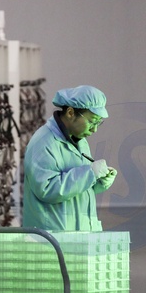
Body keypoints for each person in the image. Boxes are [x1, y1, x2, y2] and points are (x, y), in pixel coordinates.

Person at [22, 85, 117, 231]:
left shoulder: (79, 140)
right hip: (53, 236)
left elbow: (75, 189)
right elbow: (47, 189)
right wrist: (90, 173)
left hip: (78, 233)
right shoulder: (44, 142)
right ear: (71, 112)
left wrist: (98, 181)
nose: (95, 129)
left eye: (99, 122)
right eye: (92, 121)